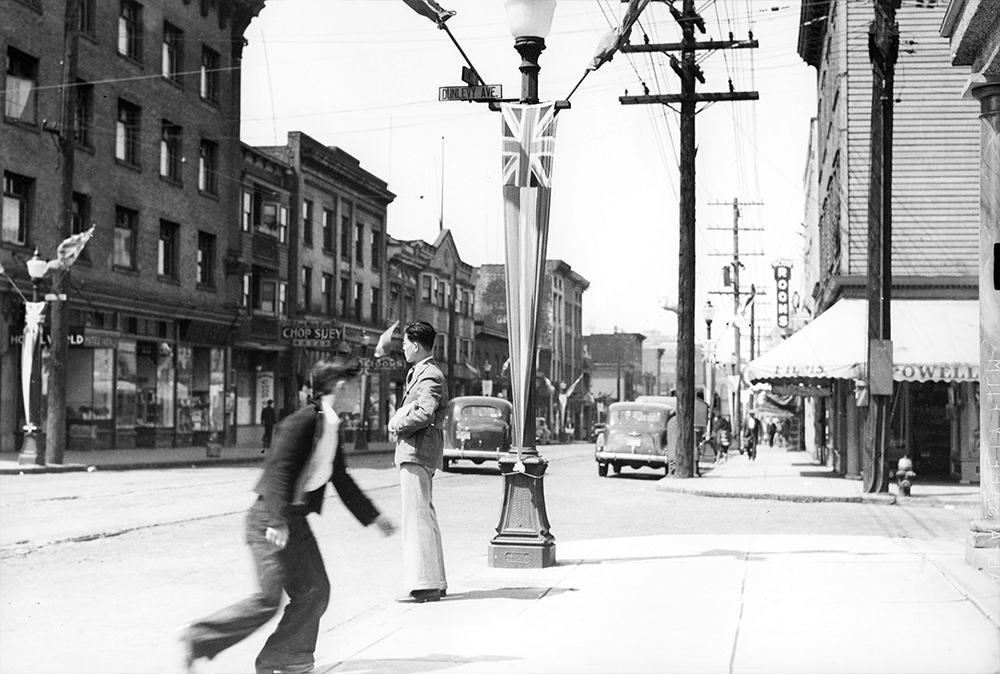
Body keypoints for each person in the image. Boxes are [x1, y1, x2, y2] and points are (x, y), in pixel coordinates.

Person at [182, 357, 396, 674]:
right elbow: (278, 471)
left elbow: (341, 479)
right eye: (355, 386)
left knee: (315, 590)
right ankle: (197, 637)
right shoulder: (304, 421)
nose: (358, 393)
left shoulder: (331, 424)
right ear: (340, 387)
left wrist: (374, 517)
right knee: (269, 599)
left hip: (293, 519)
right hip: (269, 518)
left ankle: (285, 656)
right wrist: (278, 520)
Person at [387, 321, 449, 604]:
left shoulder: (429, 375)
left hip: (416, 449)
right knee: (425, 514)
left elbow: (424, 413)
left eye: (405, 342)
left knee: (416, 517)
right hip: (420, 449)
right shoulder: (424, 372)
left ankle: (423, 585)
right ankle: (436, 580)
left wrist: (398, 423)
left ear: (416, 345)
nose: (402, 347)